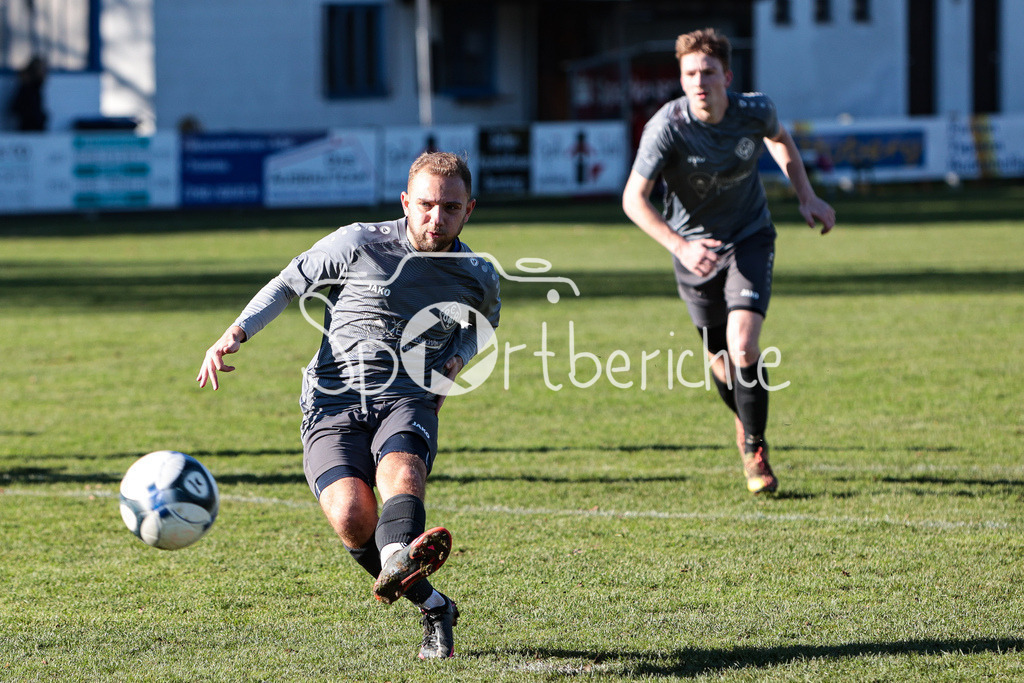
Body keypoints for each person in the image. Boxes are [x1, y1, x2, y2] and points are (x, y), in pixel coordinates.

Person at [197, 152, 500, 659]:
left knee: (402, 475)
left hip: (408, 396)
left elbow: (481, 325)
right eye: (425, 205)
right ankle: (433, 603)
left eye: (450, 207)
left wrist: (456, 360)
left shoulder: (476, 274)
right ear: (406, 202)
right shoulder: (357, 242)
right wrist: (236, 331)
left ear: (469, 209)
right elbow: (288, 284)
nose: (435, 218)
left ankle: (399, 557)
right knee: (351, 516)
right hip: (330, 403)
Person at [622, 28, 836, 495]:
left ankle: (755, 449)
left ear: (727, 75)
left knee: (743, 347)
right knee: (721, 361)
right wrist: (681, 246)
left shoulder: (754, 110)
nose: (699, 82)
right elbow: (633, 200)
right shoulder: (667, 127)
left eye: (708, 72)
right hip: (694, 252)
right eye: (689, 74)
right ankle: (746, 418)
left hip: (749, 236)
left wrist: (807, 195)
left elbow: (780, 140)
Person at [9, 56, 48, 131]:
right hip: (29, 126)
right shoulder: (27, 89)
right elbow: (16, 108)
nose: (44, 72)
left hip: (34, 125)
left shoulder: (35, 88)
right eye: (41, 69)